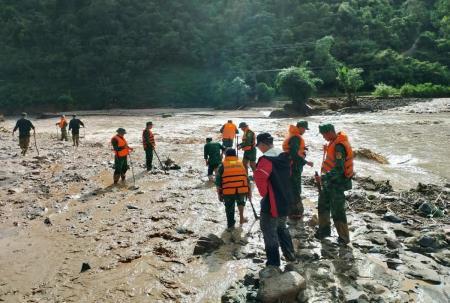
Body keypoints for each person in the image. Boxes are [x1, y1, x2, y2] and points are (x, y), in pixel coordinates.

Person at [254, 133, 296, 268]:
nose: (259, 149)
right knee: (282, 227)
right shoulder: (284, 156)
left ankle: (273, 263)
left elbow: (260, 180)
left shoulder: (265, 160)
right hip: (285, 199)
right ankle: (290, 254)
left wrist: (265, 194)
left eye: (259, 146)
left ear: (263, 144)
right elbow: (289, 174)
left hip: (271, 203)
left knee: (269, 231)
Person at [314, 124, 354, 245]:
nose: (323, 137)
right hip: (328, 182)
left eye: (324, 135)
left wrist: (324, 177)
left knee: (337, 210)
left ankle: (344, 238)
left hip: (337, 183)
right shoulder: (333, 142)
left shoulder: (339, 146)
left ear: (330, 132)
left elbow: (339, 169)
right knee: (322, 205)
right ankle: (324, 231)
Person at [282, 121, 313, 219]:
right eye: (304, 129)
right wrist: (306, 162)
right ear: (299, 127)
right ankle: (295, 212)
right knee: (295, 188)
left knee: (292, 186)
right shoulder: (295, 138)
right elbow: (294, 154)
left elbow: (294, 150)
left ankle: (292, 210)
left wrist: (303, 149)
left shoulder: (293, 135)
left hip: (292, 165)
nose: (304, 131)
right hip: (294, 166)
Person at [215, 149, 250, 229]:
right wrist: (249, 192)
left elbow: (218, 182)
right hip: (242, 190)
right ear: (235, 155)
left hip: (228, 192)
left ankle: (231, 225)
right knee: (241, 202)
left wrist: (219, 194)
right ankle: (241, 218)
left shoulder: (222, 165)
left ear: (226, 156)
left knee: (229, 208)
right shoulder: (241, 164)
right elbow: (247, 179)